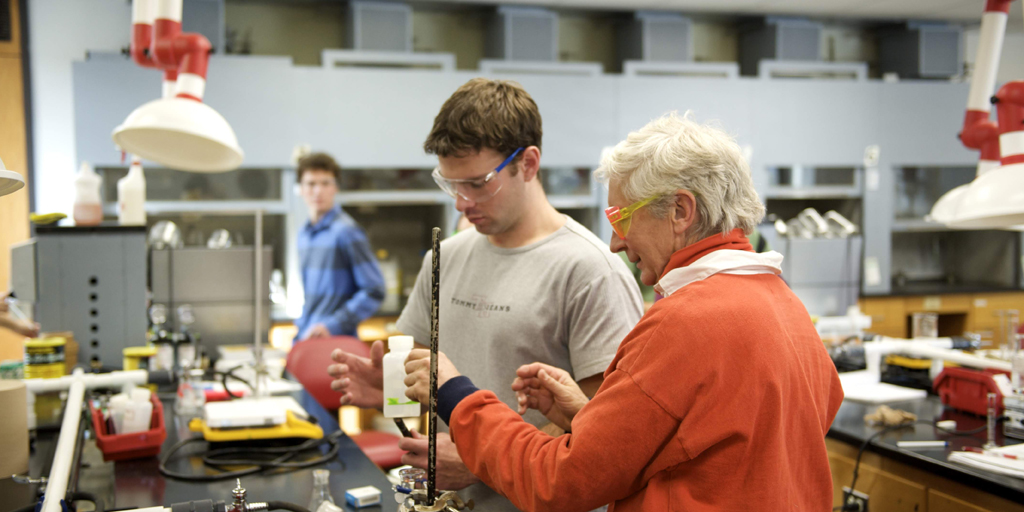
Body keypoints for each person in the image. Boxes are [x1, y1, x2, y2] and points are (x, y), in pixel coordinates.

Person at [403, 112, 844, 512]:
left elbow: (557, 482)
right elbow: (721, 442)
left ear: (680, 211)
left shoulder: (685, 320)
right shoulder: (784, 305)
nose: (615, 242)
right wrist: (587, 418)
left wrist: (457, 395)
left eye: (622, 218)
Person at [328, 78, 643, 511]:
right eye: (451, 184)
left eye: (478, 183)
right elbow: (427, 377)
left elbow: (601, 427)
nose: (461, 202)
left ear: (528, 163)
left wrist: (483, 461)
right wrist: (389, 392)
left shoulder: (590, 270)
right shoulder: (446, 257)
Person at [294, 152, 386, 341]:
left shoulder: (346, 231)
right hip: (308, 338)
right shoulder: (303, 235)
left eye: (325, 183)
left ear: (335, 187)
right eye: (311, 184)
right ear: (301, 189)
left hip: (338, 343)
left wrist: (332, 325)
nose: (318, 191)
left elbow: (375, 290)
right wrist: (302, 328)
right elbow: (311, 300)